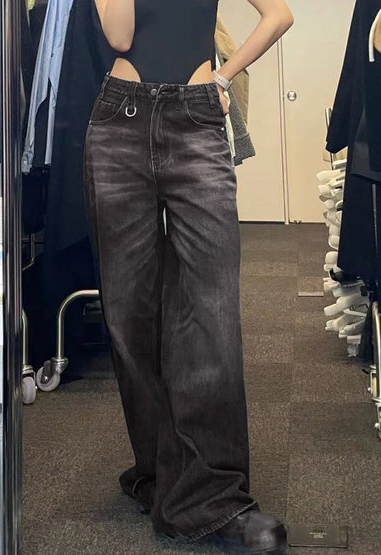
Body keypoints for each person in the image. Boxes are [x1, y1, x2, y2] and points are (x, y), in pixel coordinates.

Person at [84, 0, 293, 552]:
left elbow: (279, 15)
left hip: (197, 120)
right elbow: (121, 36)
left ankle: (214, 496)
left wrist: (223, 77)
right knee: (130, 316)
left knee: (212, 311)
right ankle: (159, 473)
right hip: (120, 121)